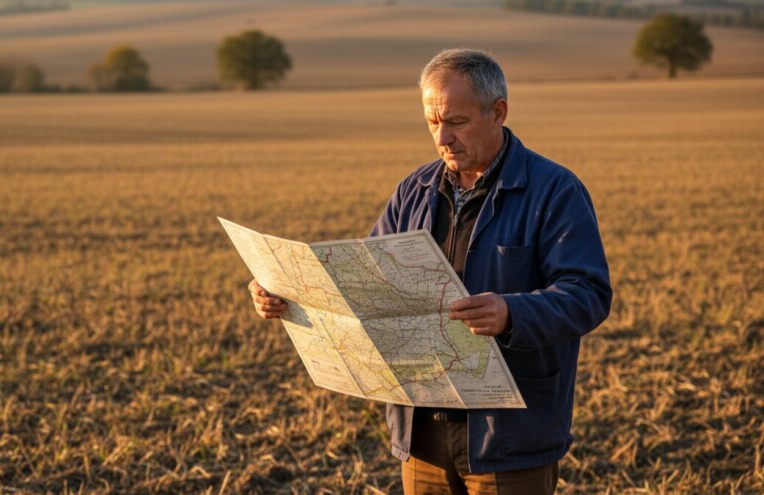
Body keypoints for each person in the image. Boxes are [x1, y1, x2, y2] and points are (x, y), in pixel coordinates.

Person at [248, 48, 612, 495]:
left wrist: (512, 313)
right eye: (431, 122)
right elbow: (359, 279)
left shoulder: (555, 190)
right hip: (421, 432)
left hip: (510, 436)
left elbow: (588, 293)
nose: (443, 138)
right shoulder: (413, 189)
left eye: (456, 122)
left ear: (498, 112)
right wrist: (285, 292)